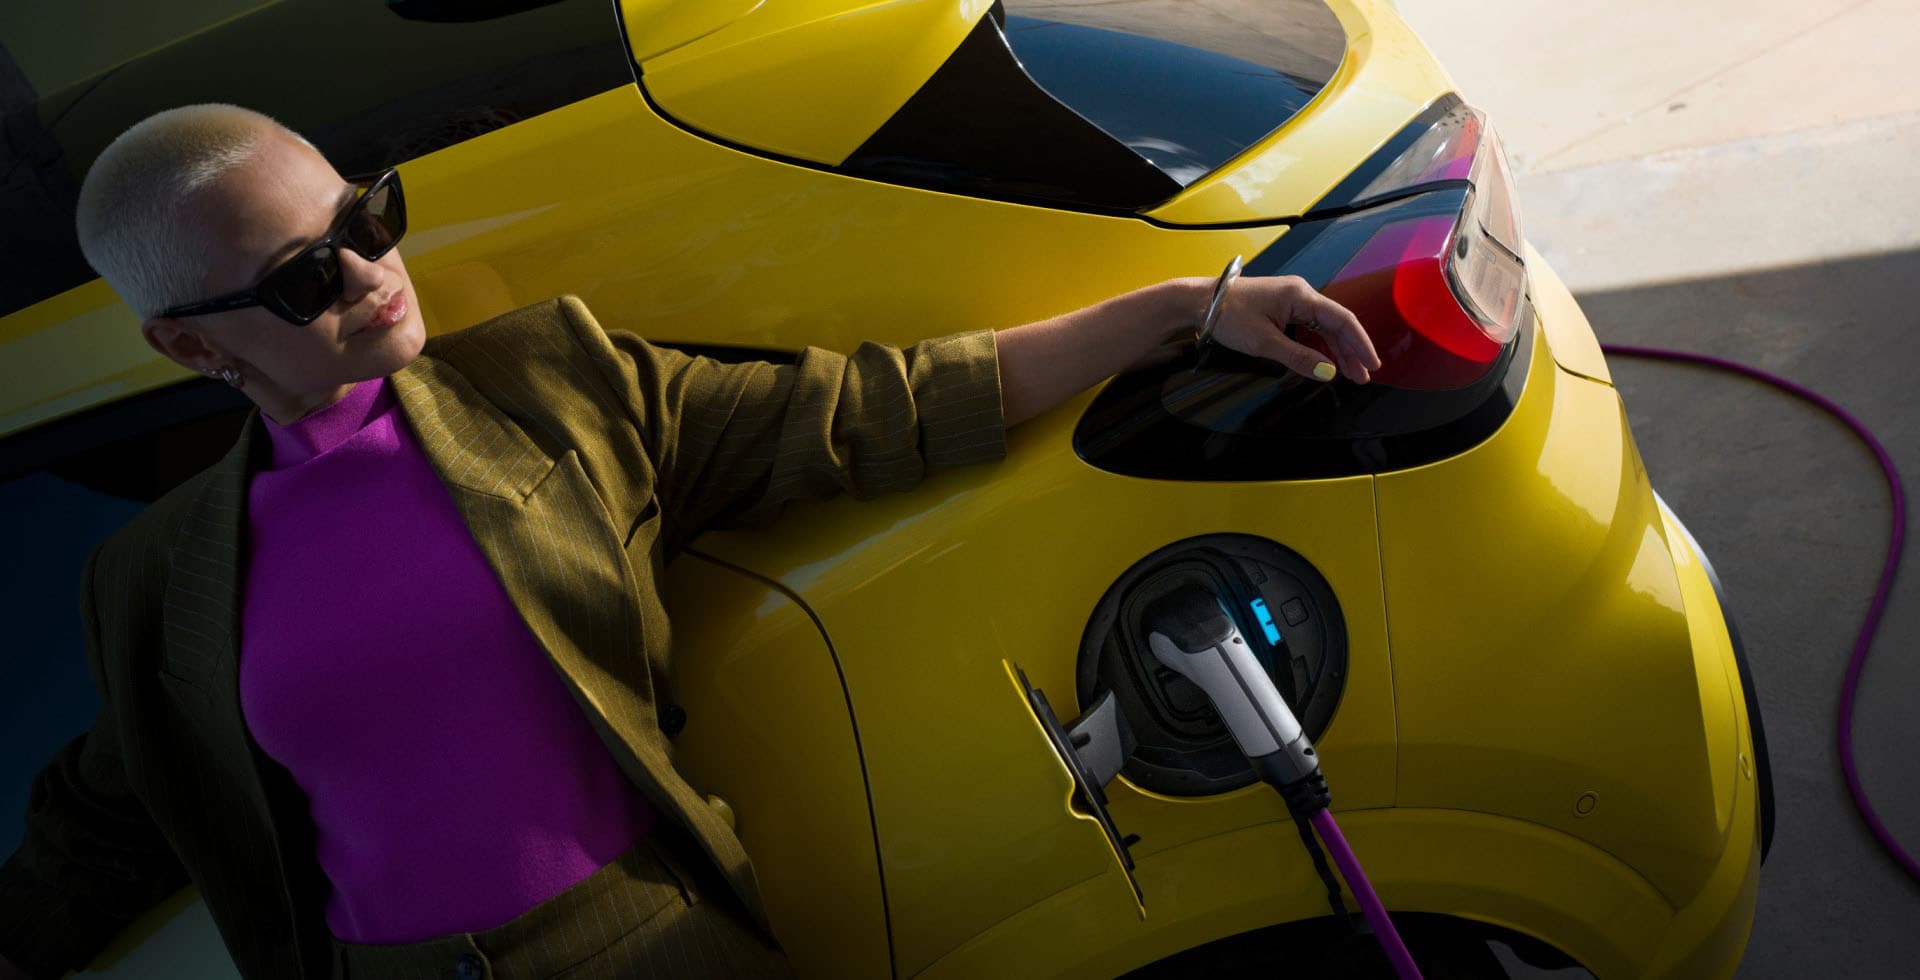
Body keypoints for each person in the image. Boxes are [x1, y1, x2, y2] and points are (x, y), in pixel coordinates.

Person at [0, 104, 1379, 980]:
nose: (371, 275)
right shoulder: (155, 577)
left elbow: (868, 408)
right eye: (309, 278)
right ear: (182, 342)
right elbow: (110, 811)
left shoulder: (554, 389)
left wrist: (1172, 311)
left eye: (367, 220)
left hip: (652, 947)